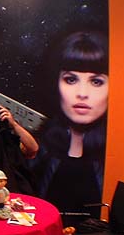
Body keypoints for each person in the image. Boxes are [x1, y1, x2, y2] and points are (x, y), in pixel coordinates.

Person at [31, 30, 109, 222]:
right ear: (56, 84)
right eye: (71, 79)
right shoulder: (40, 147)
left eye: (96, 81)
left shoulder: (118, 154)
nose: (82, 93)